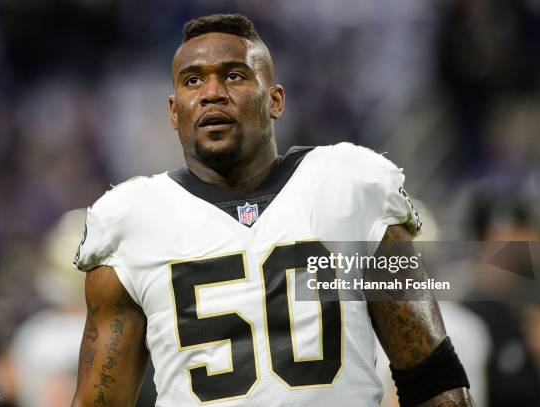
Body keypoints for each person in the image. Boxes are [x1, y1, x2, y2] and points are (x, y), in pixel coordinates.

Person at [71, 14, 473, 407]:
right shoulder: (130, 219)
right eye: (193, 80)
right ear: (175, 112)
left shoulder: (350, 184)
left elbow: (431, 375)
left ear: (275, 100)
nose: (212, 92)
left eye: (234, 75)